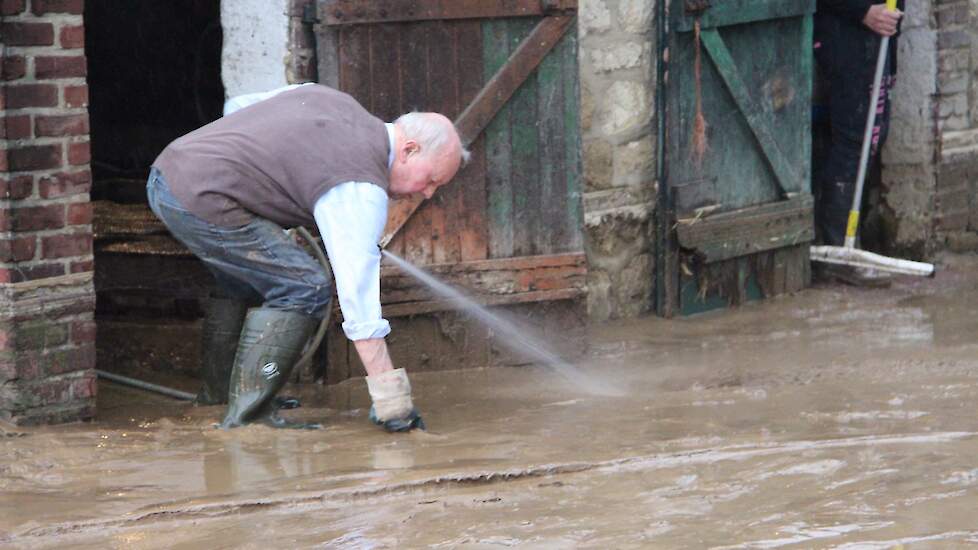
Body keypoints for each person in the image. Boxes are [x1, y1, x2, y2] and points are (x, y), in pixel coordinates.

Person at [147, 83, 469, 431]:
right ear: (409, 149)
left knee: (242, 279)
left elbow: (239, 104)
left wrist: (257, 177)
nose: (428, 192)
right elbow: (358, 298)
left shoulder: (331, 98)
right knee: (304, 285)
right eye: (431, 180)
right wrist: (391, 399)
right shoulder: (360, 187)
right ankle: (250, 419)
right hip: (200, 197)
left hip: (170, 171)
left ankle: (224, 395)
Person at [812, 0, 903, 287]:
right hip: (846, 37)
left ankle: (851, 244)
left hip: (877, 40)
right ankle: (841, 251)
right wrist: (863, 12)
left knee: (871, 135)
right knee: (854, 138)